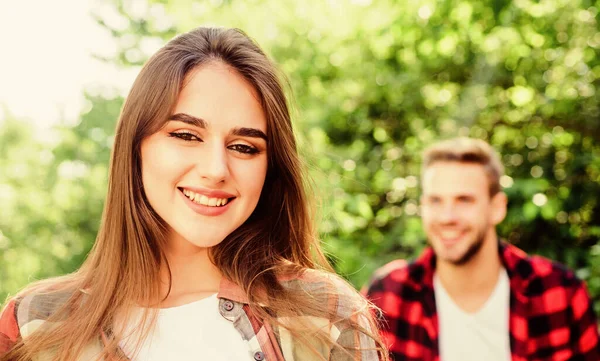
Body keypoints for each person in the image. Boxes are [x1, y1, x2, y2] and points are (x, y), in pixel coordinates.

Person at [0, 27, 387, 361]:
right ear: (136, 146)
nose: (216, 169)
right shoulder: (34, 325)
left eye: (244, 146)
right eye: (186, 135)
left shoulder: (327, 317)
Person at [364, 137, 599, 361]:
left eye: (464, 200)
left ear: (497, 208)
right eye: (435, 201)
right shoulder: (387, 295)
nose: (447, 217)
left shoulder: (560, 293)